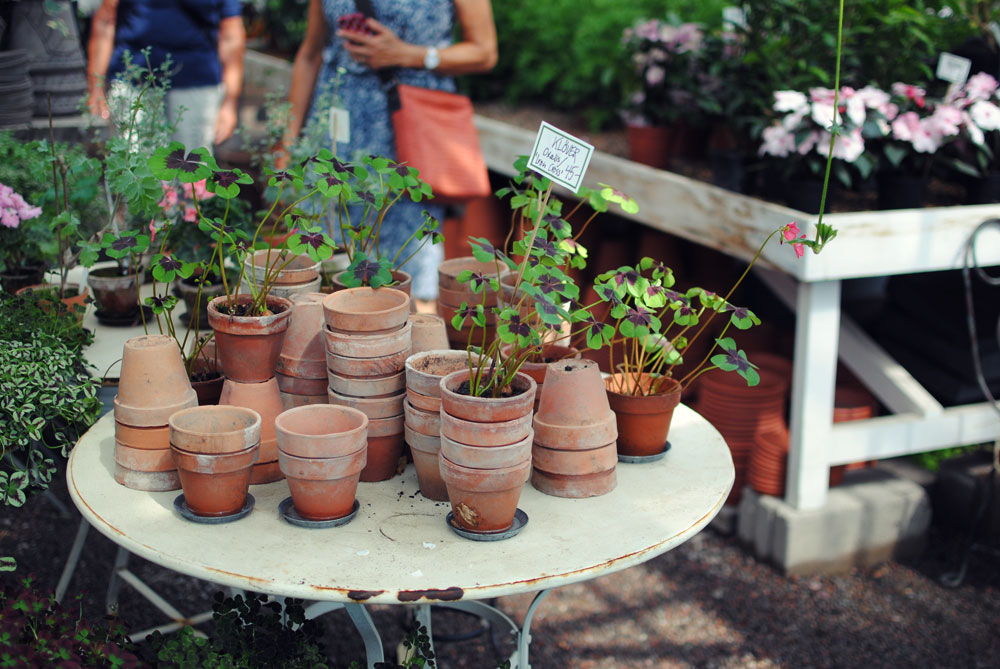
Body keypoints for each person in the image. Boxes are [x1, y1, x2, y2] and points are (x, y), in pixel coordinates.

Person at [285, 0, 497, 302]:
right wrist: (288, 141)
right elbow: (310, 54)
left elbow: (485, 51)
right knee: (318, 262)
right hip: (335, 130)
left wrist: (410, 54)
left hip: (408, 133)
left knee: (405, 271)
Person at [86, 0, 246, 151]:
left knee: (190, 166)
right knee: (132, 166)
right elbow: (105, 21)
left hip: (196, 83)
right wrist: (95, 86)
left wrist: (230, 103)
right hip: (133, 81)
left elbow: (231, 35)